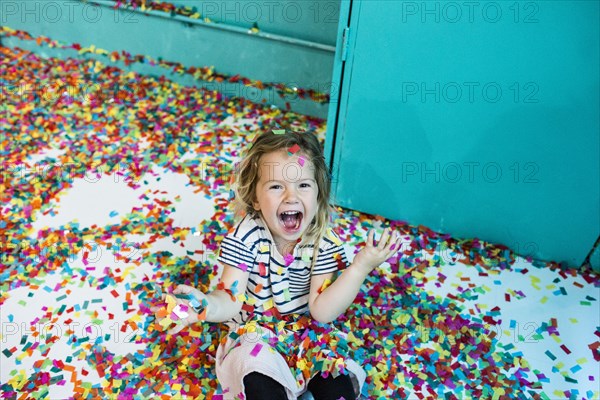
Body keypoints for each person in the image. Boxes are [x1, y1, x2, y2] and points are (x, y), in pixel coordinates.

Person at [153, 130, 401, 400]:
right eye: (276, 186)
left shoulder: (325, 241)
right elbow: (230, 298)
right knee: (255, 372)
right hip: (256, 334)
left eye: (303, 185)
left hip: (309, 333)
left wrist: (360, 267)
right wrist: (203, 306)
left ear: (318, 195)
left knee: (335, 377)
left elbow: (322, 311)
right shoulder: (246, 235)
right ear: (256, 199)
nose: (291, 197)